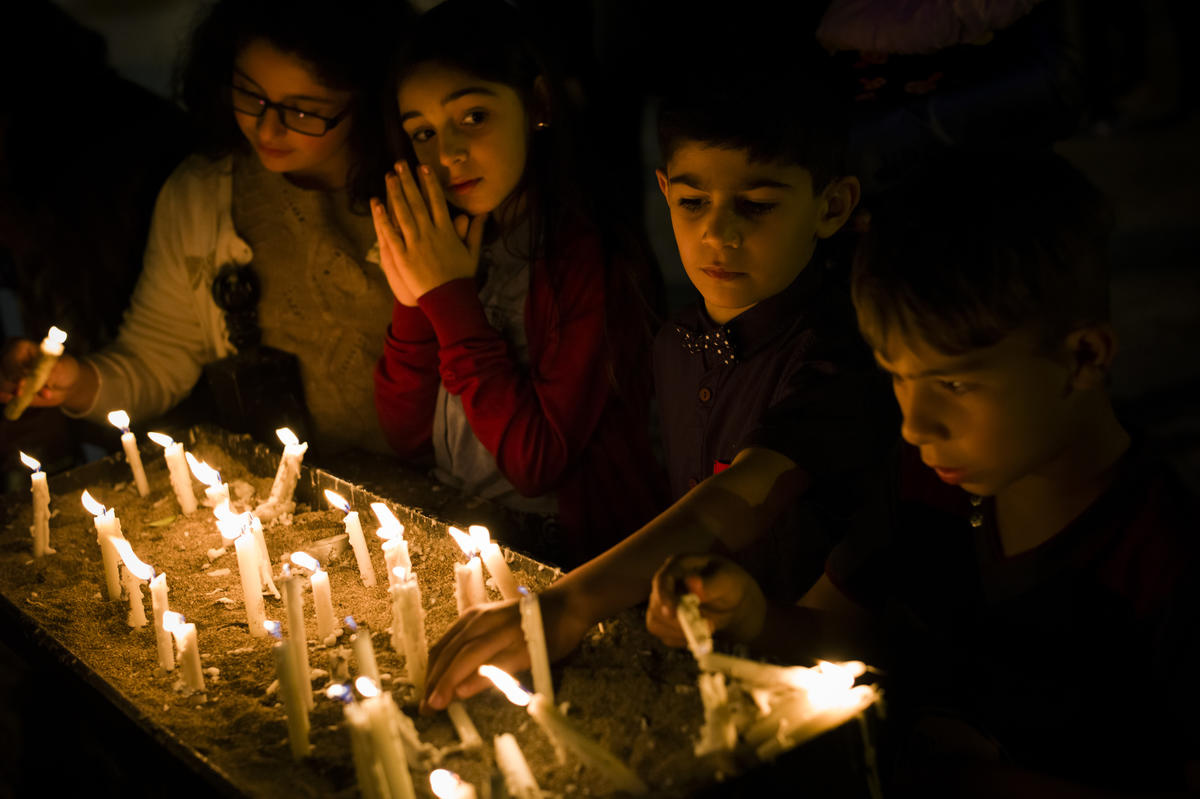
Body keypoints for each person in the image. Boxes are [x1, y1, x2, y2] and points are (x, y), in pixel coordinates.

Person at [647, 151, 1200, 795]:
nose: (915, 424)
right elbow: (850, 627)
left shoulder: (1166, 564)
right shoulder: (926, 480)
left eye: (955, 382)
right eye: (898, 376)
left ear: (1082, 357)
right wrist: (751, 617)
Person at [417, 56, 894, 713]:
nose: (717, 232)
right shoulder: (675, 342)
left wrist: (571, 602)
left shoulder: (839, 355)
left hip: (824, 681)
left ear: (832, 205)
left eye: (755, 205)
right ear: (665, 193)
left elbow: (734, 498)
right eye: (694, 202)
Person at [0, 0, 404, 454]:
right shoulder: (204, 194)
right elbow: (157, 359)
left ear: (368, 102)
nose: (267, 130)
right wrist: (75, 382)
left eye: (303, 111)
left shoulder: (420, 194)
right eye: (250, 95)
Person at [371, 0, 666, 568]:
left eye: (474, 116)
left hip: (569, 553)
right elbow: (406, 440)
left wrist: (448, 299)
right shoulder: (446, 241)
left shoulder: (588, 258)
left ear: (537, 103)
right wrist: (414, 302)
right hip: (466, 531)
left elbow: (536, 465)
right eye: (423, 133)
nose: (448, 152)